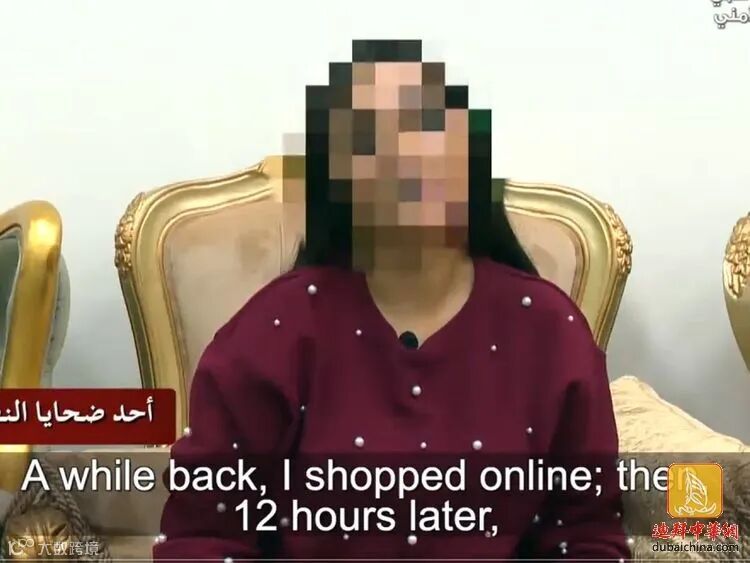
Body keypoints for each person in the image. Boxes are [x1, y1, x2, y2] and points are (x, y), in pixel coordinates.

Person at [154, 39, 630, 561]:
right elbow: (203, 534)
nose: (405, 157)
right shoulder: (271, 333)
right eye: (369, 139)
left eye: (426, 126)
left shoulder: (549, 332)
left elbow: (586, 536)